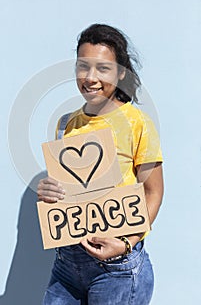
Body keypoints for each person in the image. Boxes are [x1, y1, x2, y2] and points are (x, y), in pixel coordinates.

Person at [37, 23, 164, 305]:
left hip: (117, 269)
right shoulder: (65, 124)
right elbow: (72, 193)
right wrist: (49, 194)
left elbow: (153, 192)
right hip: (67, 265)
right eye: (83, 67)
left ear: (120, 73)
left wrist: (125, 243)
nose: (90, 77)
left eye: (103, 69)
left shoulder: (137, 123)